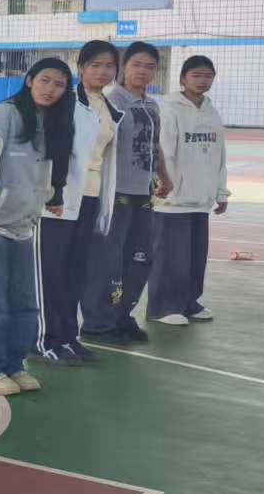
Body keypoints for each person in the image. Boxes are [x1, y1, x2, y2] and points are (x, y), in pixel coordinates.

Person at [0, 59, 73, 396]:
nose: (50, 89)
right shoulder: (3, 115)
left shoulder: (50, 122)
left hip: (24, 225)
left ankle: (13, 364)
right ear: (29, 80)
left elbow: (45, 170)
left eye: (59, 84)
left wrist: (48, 198)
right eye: (45, 80)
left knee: (24, 306)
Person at [81, 42, 172, 345]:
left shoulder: (151, 105)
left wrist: (163, 176)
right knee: (108, 262)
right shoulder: (111, 102)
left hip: (142, 194)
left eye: (150, 66)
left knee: (140, 260)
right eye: (137, 65)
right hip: (114, 193)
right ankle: (98, 322)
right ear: (124, 67)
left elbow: (154, 144)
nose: (143, 72)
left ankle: (122, 315)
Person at [35, 42, 114, 364]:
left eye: (109, 66)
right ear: (80, 68)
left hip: (91, 197)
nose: (102, 71)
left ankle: (68, 336)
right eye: (95, 65)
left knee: (75, 271)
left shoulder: (108, 106)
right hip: (60, 199)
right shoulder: (64, 101)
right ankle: (44, 339)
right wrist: (51, 191)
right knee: (51, 272)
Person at [150, 56, 229, 326]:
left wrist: (220, 192)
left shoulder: (211, 112)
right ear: (183, 78)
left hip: (201, 199)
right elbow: (165, 154)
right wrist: (166, 187)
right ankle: (163, 307)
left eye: (208, 76)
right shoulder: (169, 109)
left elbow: (219, 155)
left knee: (195, 258)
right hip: (173, 200)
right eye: (197, 75)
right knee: (170, 259)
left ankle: (188, 303)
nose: (203, 81)